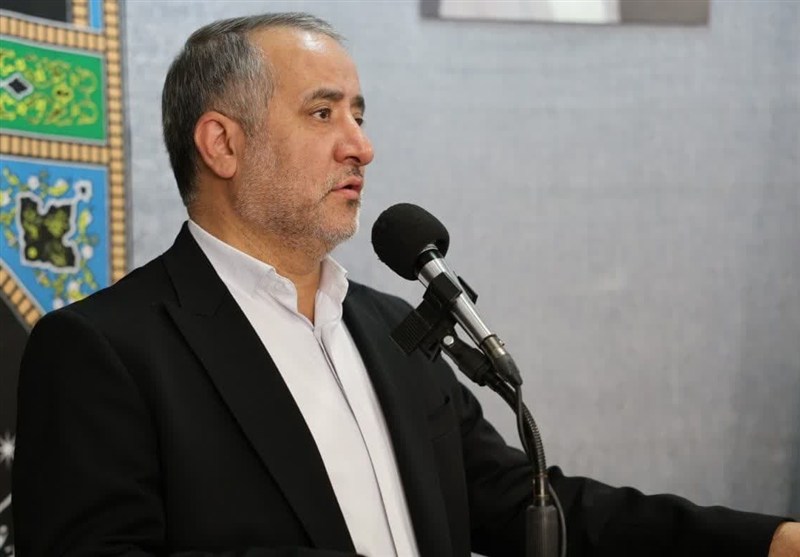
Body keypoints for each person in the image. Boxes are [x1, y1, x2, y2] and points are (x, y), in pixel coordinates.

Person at [12, 12, 799, 557]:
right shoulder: (103, 350)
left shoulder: (395, 330)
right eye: (323, 114)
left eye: (359, 113)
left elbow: (528, 503)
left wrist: (764, 540)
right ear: (222, 143)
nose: (362, 145)